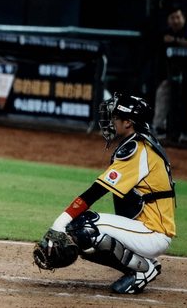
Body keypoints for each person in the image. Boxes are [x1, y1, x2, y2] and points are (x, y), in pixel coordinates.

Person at [39, 93, 175, 294]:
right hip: (144, 228)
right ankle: (142, 263)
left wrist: (58, 224)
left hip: (152, 232)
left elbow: (96, 191)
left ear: (128, 122)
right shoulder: (141, 143)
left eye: (115, 117)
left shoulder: (137, 150)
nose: (111, 122)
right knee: (80, 230)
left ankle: (143, 269)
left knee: (83, 227)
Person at [152, 4, 187, 133]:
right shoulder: (165, 33)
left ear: (183, 17)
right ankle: (159, 126)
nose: (176, 21)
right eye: (172, 18)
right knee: (163, 90)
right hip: (173, 73)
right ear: (168, 20)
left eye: (178, 17)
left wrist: (175, 40)